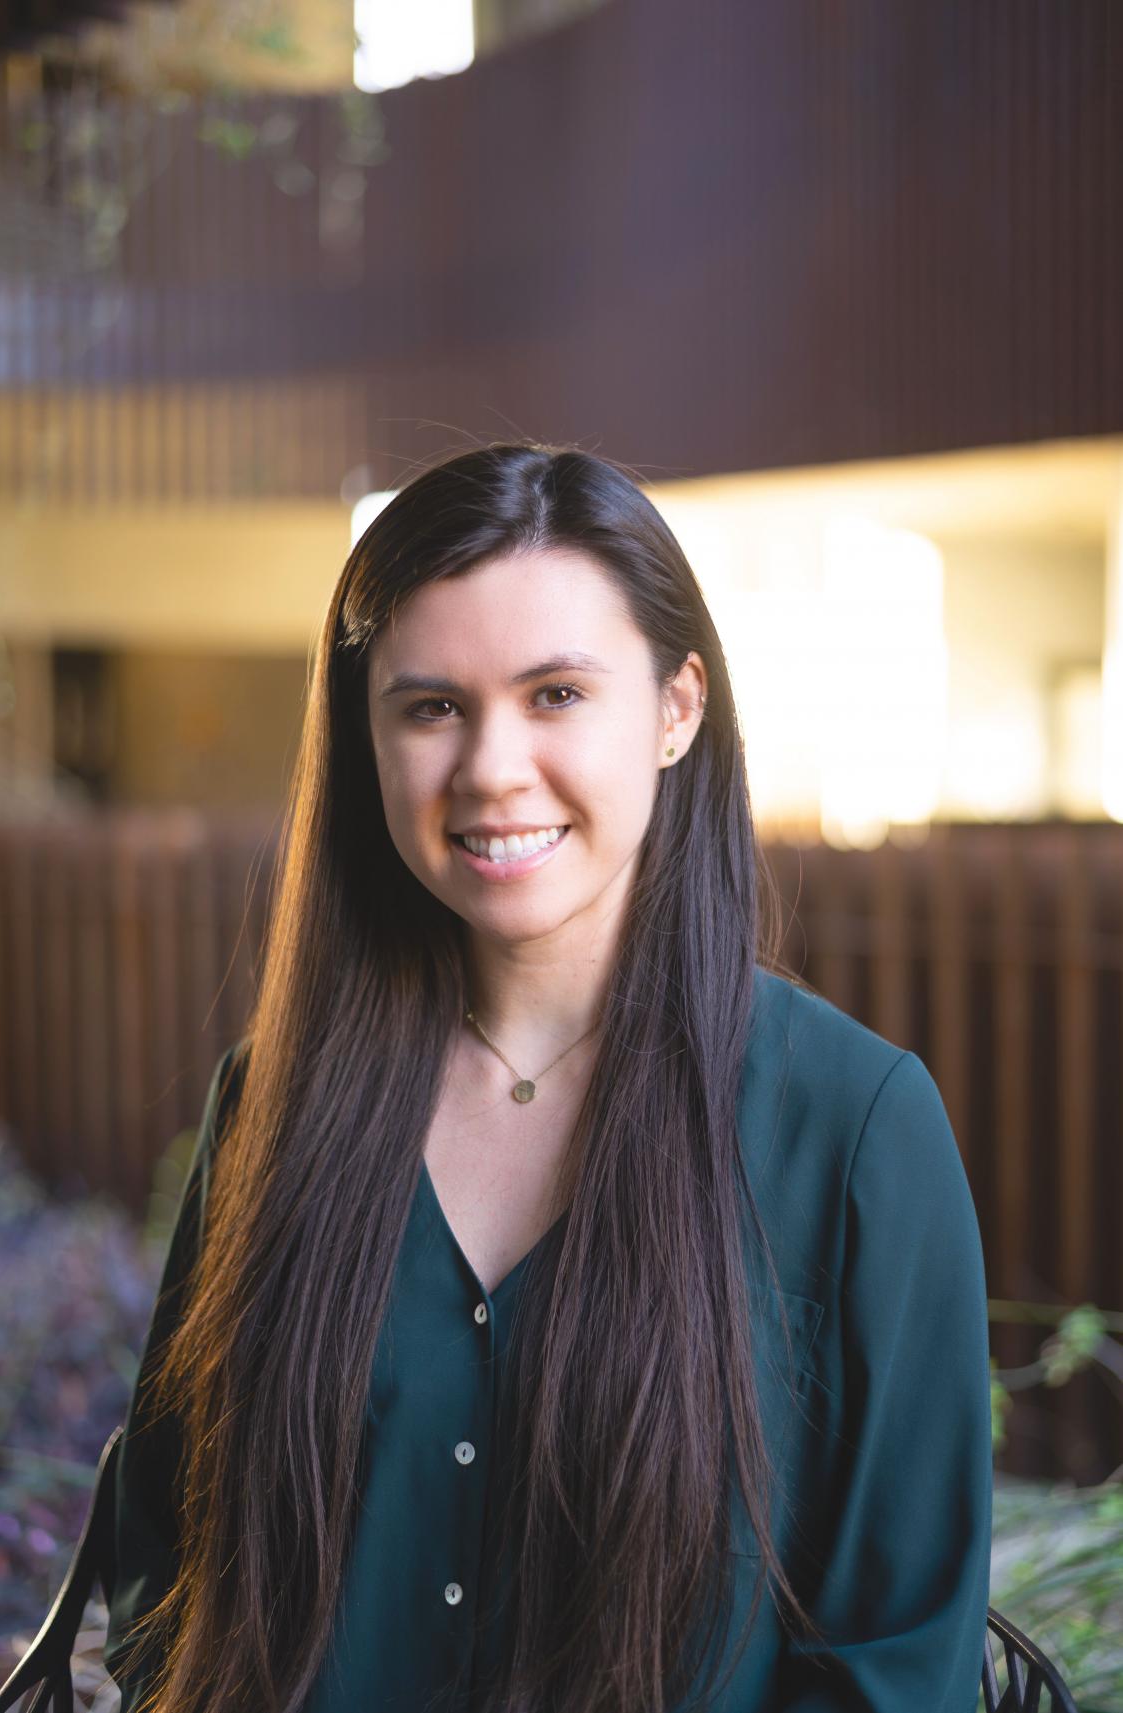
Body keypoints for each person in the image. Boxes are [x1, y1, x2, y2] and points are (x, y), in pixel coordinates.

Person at [103, 441, 993, 1713]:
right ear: (369, 738)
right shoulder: (274, 1102)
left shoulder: (856, 1133)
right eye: (432, 707)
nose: (490, 768)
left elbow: (898, 1660)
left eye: (557, 694)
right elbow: (164, 1571)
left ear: (677, 709)